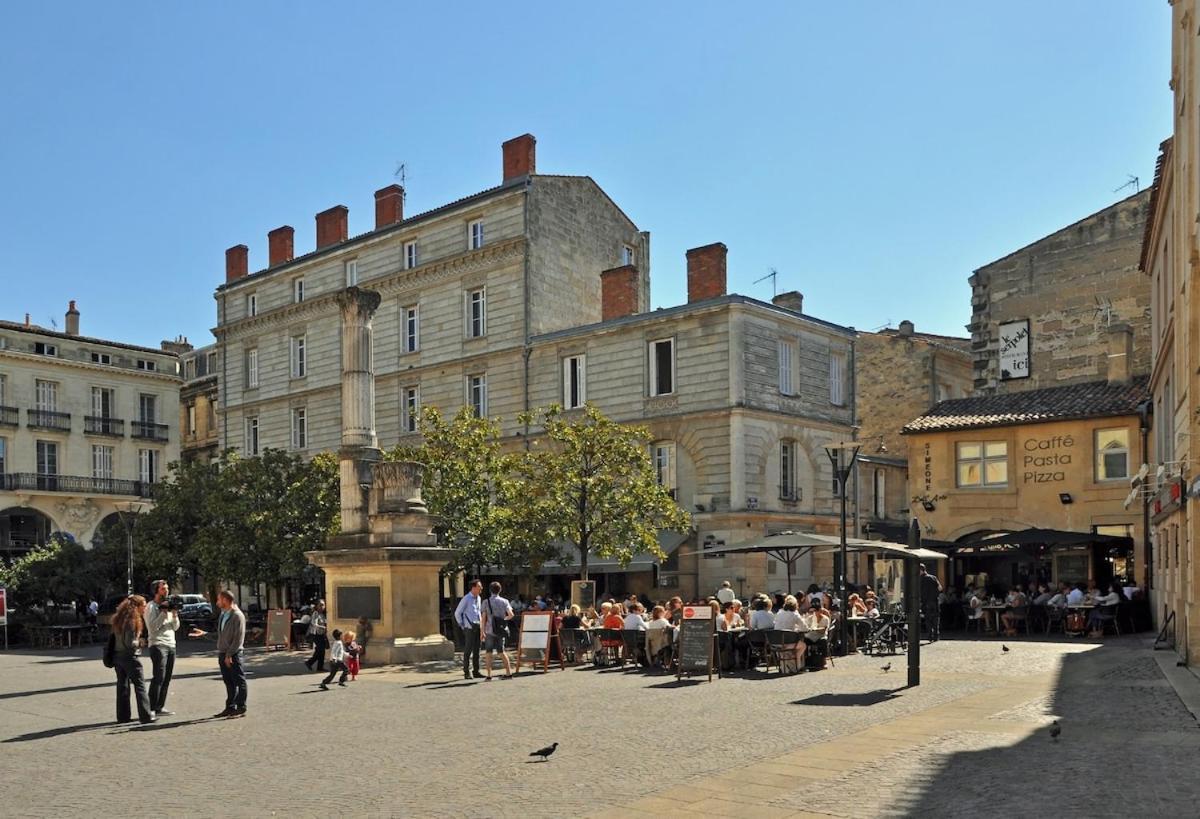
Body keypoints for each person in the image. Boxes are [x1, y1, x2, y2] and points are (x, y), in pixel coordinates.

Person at [190, 590, 247, 718]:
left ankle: (241, 706)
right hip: (222, 652)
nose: (217, 602)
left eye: (219, 600)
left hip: (233, 654)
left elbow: (238, 639)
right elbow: (220, 635)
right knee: (228, 682)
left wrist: (229, 655)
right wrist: (204, 634)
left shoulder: (237, 615)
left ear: (226, 600)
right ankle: (230, 707)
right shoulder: (223, 615)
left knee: (239, 680)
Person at [111, 595, 155, 725]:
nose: (145, 608)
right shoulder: (131, 620)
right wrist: (140, 642)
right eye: (143, 606)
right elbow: (130, 642)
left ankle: (123, 716)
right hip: (129, 656)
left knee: (122, 686)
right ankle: (146, 715)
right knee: (140, 685)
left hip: (118, 656)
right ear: (137, 607)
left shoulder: (119, 619)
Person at [143, 580, 180, 718]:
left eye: (167, 588)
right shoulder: (151, 607)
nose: (167, 591)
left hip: (171, 644)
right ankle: (150, 708)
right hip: (158, 644)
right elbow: (152, 628)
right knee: (159, 676)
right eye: (163, 589)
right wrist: (163, 613)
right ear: (156, 591)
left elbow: (175, 627)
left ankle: (160, 706)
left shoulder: (169, 606)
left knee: (167, 678)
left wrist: (174, 614)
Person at [482, 581, 514, 681]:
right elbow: (511, 615)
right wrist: (503, 620)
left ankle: (489, 675)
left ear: (490, 590)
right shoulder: (505, 601)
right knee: (501, 651)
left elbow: (483, 618)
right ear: (500, 590)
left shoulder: (486, 602)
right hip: (500, 630)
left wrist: (482, 631)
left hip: (489, 629)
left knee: (488, 652)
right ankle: (509, 673)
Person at [454, 580, 484, 680]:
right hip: (469, 628)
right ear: (473, 587)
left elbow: (479, 612)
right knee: (468, 650)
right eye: (479, 586)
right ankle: (466, 672)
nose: (481, 588)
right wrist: (462, 625)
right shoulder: (466, 599)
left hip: (478, 627)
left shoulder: (478, 598)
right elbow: (457, 613)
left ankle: (476, 671)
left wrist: (482, 627)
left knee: (477, 650)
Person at [773, 595, 807, 671]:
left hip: (775, 642)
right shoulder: (795, 615)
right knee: (803, 645)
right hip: (787, 642)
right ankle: (797, 660)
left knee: (792, 643)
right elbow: (804, 628)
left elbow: (775, 623)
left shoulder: (779, 613)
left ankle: (791, 665)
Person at [801, 599, 832, 670]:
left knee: (823, 641)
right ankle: (804, 661)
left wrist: (815, 629)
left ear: (820, 611)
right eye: (811, 611)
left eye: (815, 611)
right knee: (803, 641)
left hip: (820, 636)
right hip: (811, 636)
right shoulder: (809, 618)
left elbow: (823, 631)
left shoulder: (825, 619)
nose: (813, 613)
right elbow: (806, 627)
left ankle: (824, 661)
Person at [919, 564, 942, 640]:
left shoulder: (920, 579)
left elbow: (920, 592)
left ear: (921, 570)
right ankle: (936, 635)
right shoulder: (933, 577)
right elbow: (940, 588)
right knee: (935, 619)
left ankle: (930, 635)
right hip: (935, 601)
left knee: (928, 620)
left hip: (926, 602)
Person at [304, 600, 328, 672]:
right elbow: (314, 624)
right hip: (315, 634)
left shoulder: (322, 614)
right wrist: (323, 627)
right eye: (320, 605)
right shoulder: (316, 613)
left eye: (323, 605)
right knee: (320, 650)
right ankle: (309, 662)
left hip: (321, 634)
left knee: (321, 651)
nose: (322, 607)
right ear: (317, 606)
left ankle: (319, 667)